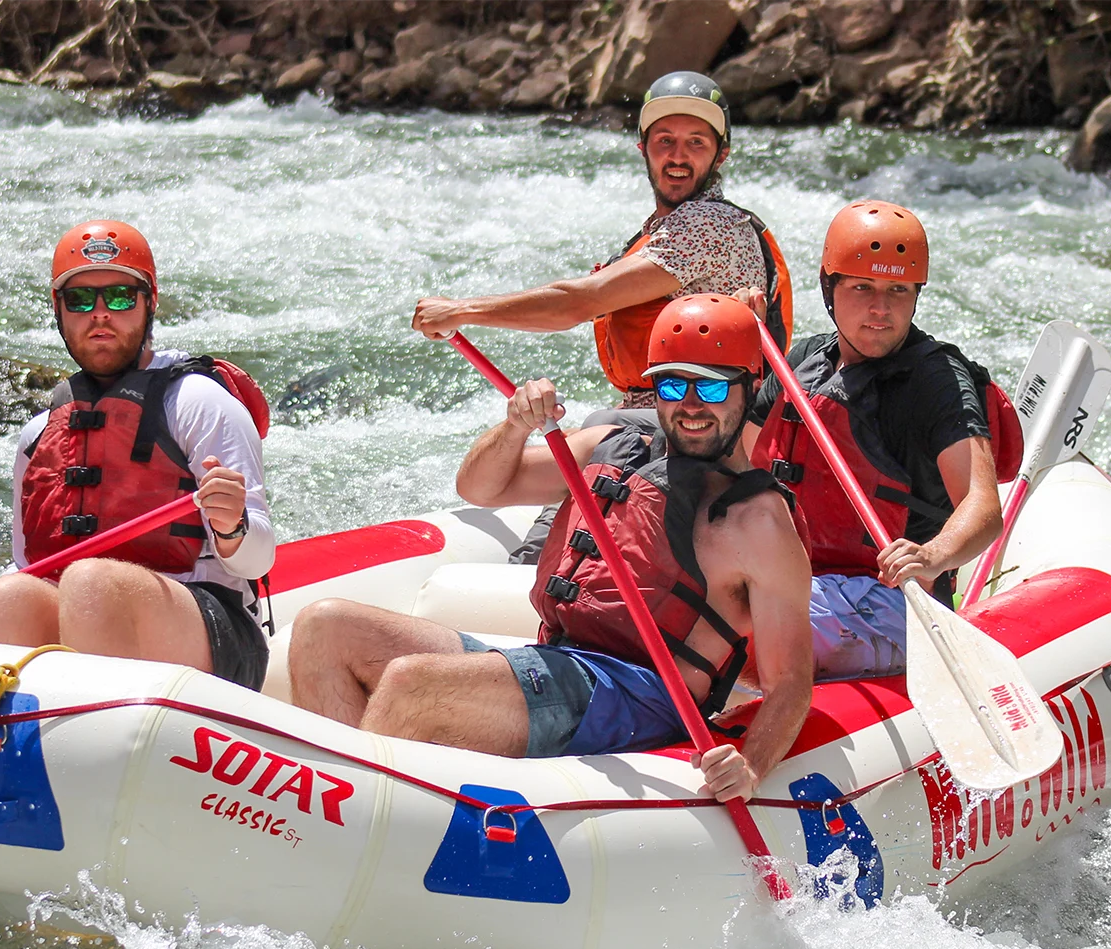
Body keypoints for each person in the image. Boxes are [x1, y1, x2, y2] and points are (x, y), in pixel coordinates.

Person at [288, 295, 814, 802]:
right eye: (674, 386)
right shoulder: (611, 447)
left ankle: (359, 822)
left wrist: (749, 766)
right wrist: (515, 426)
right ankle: (353, 816)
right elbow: (481, 488)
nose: (692, 406)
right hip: (561, 661)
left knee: (411, 685)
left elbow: (790, 682)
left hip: (641, 694)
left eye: (714, 388)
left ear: (752, 386)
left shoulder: (758, 522)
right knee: (324, 628)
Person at [0, 220, 275, 689]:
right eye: (80, 300)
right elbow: (29, 571)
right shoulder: (39, 434)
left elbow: (258, 561)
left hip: (214, 633)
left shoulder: (200, 402)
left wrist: (231, 525)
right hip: (90, 615)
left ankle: (106, 742)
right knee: (10, 595)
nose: (100, 314)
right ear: (59, 311)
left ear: (149, 304)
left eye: (119, 296)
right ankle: (15, 744)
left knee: (90, 581)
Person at [746, 200, 1022, 680]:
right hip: (800, 581)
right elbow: (735, 469)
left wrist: (932, 555)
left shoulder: (936, 379)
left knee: (743, 632)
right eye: (862, 288)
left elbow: (982, 507)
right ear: (830, 289)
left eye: (898, 290)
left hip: (893, 602)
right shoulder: (802, 362)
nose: (881, 309)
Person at [410, 71, 793, 409]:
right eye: (664, 141)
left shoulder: (708, 224)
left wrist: (461, 311)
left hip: (692, 422)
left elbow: (577, 303)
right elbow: (576, 307)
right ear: (643, 149)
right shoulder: (657, 233)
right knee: (488, 473)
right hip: (652, 412)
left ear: (721, 155)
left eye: (696, 143)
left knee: (495, 480)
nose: (678, 156)